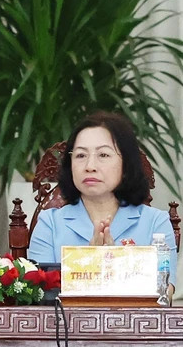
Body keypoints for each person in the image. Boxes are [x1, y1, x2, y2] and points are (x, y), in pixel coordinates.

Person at [28, 111, 177, 292]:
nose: (90, 166)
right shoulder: (49, 224)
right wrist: (89, 266)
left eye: (103, 155)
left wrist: (113, 267)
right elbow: (38, 298)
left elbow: (164, 298)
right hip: (66, 321)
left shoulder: (156, 223)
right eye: (81, 155)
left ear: (126, 164)